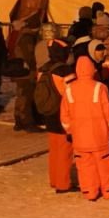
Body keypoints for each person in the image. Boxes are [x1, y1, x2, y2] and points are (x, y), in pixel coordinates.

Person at [61, 50, 109, 201]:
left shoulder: (69, 89)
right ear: (92, 69)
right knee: (104, 164)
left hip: (80, 137)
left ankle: (89, 191)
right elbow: (108, 111)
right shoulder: (100, 88)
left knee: (84, 166)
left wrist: (69, 131)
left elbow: (64, 114)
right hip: (100, 135)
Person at [33, 39, 76, 193]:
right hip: (62, 114)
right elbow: (71, 93)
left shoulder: (43, 69)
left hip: (49, 113)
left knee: (54, 150)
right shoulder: (65, 70)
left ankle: (54, 179)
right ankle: (63, 184)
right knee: (65, 151)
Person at [9, 19, 41, 130]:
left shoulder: (21, 35)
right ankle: (27, 122)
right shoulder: (28, 38)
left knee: (21, 95)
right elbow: (29, 56)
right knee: (26, 97)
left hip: (20, 70)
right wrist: (35, 66)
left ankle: (18, 120)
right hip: (27, 72)